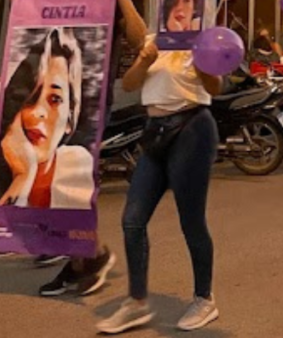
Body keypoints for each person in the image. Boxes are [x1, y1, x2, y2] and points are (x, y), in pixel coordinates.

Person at [37, 0, 147, 296]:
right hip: (55, 104)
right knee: (56, 179)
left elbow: (140, 39)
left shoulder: (112, 1)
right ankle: (81, 253)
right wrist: (23, 4)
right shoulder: (65, 0)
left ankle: (88, 258)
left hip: (90, 105)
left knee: (75, 179)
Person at [96, 35, 224, 334]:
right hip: (155, 131)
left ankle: (204, 299)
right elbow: (130, 84)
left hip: (192, 129)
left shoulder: (202, 39)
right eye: (175, 8)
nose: (180, 12)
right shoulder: (154, 39)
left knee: (191, 221)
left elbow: (216, 87)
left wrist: (201, 60)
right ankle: (137, 302)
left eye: (186, 7)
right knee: (132, 220)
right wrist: (145, 59)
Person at [0, 28, 91, 209]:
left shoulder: (75, 164)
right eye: (29, 98)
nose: (38, 112)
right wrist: (23, 176)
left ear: (70, 119)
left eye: (55, 99)